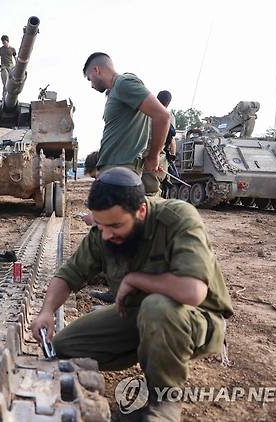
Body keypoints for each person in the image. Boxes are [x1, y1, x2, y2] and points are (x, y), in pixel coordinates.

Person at [31, 168, 233, 421]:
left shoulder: (177, 218)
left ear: (141, 211)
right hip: (137, 315)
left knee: (157, 307)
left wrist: (136, 279)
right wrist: (46, 311)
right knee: (62, 348)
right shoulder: (105, 231)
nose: (106, 234)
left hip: (194, 319)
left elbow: (192, 291)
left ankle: (164, 403)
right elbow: (68, 275)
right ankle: (148, 350)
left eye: (115, 225)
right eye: (100, 225)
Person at [82, 52, 170, 195]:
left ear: (96, 70)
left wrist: (154, 156)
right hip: (116, 168)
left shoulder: (123, 83)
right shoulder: (116, 90)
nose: (91, 85)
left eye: (89, 78)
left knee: (118, 215)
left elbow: (162, 116)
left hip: (122, 169)